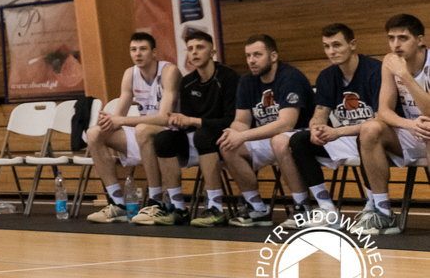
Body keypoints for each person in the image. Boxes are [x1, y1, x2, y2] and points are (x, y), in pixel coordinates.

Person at [278, 24, 382, 219]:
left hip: (376, 139)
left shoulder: (375, 71)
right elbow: (320, 113)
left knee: (365, 136)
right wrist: (316, 128)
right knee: (299, 141)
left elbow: (381, 120)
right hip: (345, 136)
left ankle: (373, 205)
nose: (331, 51)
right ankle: (326, 208)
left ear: (352, 44)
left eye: (336, 45)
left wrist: (338, 132)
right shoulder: (326, 76)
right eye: (326, 46)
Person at [142, 29, 240, 226]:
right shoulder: (187, 83)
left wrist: (193, 121)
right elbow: (186, 125)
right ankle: (178, 207)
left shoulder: (229, 78)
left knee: (203, 135)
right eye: (190, 49)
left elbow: (232, 120)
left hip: (223, 137)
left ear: (212, 52)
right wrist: (177, 120)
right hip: (197, 137)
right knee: (163, 139)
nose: (194, 52)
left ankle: (215, 208)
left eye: (199, 47)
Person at [86, 32, 182, 223]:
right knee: (94, 133)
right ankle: (117, 204)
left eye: (143, 49)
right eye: (133, 49)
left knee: (142, 129)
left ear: (154, 53)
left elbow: (164, 118)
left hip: (171, 135)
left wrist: (120, 120)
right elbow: (117, 118)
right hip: (143, 133)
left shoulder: (169, 71)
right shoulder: (130, 74)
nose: (137, 54)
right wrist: (107, 121)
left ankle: (155, 201)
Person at [221, 34, 313, 226]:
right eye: (248, 56)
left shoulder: (290, 77)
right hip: (268, 136)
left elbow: (286, 124)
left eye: (257, 54)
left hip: (299, 136)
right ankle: (256, 207)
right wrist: (233, 133)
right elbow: (241, 120)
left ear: (273, 56)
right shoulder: (246, 81)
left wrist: (243, 135)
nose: (251, 60)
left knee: (280, 141)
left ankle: (302, 207)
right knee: (228, 146)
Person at [356, 13, 430, 234]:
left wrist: (405, 75)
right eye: (391, 38)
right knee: (370, 128)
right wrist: (409, 125)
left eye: (402, 38)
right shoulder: (389, 63)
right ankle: (382, 211)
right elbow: (383, 111)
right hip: (412, 130)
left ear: (420, 40)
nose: (395, 45)